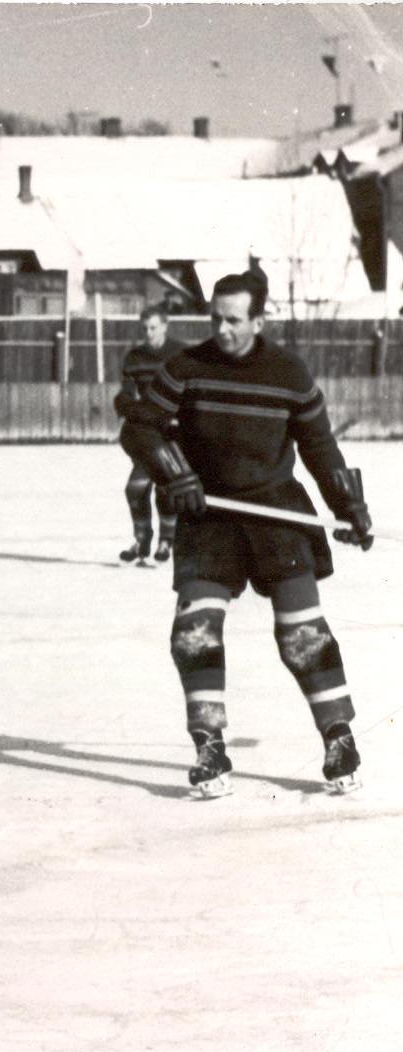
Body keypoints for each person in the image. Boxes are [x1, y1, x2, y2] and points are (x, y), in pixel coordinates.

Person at [119, 271, 372, 797]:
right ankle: (209, 746)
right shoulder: (186, 367)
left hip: (277, 514)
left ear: (258, 320)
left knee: (303, 634)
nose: (223, 329)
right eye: (215, 318)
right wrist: (177, 474)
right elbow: (138, 427)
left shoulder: (289, 373)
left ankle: (338, 736)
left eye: (234, 320)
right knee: (194, 633)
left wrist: (349, 506)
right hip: (209, 514)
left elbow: (320, 447)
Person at [115, 306, 184, 565]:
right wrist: (124, 404)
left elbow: (189, 389)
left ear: (165, 326)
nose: (149, 333)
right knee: (135, 488)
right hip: (146, 431)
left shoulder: (180, 354)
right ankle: (141, 539)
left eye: (153, 327)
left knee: (165, 487)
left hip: (172, 431)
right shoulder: (135, 357)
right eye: (144, 328)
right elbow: (128, 390)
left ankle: (166, 541)